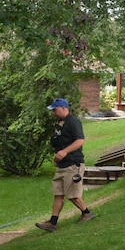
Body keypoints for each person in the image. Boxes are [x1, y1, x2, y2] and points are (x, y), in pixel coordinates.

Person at [36, 98, 94, 232]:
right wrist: (57, 158)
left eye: (54, 110)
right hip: (62, 165)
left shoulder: (73, 122)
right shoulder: (59, 123)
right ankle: (53, 223)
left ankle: (87, 213)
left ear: (63, 108)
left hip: (73, 163)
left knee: (73, 194)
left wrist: (64, 152)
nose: (53, 113)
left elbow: (80, 141)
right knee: (58, 194)